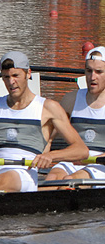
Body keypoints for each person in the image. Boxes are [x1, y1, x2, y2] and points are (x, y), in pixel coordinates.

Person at [0, 51, 88, 192]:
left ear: (28, 74)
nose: (11, 82)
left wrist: (51, 156)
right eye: (6, 77)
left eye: (15, 76)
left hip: (24, 171)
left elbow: (81, 150)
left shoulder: (48, 107)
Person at [43, 46, 105, 184]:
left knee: (71, 180)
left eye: (98, 72)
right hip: (72, 160)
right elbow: (48, 137)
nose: (92, 77)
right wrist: (44, 152)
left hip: (101, 164)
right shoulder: (70, 100)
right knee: (52, 178)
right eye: (89, 71)